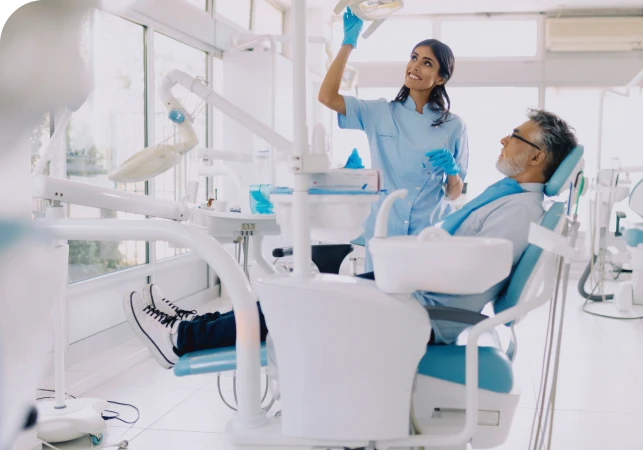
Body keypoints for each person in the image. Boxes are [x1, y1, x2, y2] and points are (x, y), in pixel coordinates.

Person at [124, 110, 578, 369]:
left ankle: (181, 338)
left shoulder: (520, 211)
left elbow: (468, 272)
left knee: (297, 299)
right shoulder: (511, 199)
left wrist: (408, 253)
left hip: (426, 313)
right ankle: (195, 324)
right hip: (415, 295)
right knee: (298, 289)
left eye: (515, 136)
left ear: (537, 156)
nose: (503, 139)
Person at [318, 8, 469, 272]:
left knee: (422, 295)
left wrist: (452, 172)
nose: (415, 66)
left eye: (427, 63)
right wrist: (348, 43)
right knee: (382, 294)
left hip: (429, 233)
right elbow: (327, 97)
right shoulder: (379, 112)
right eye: (414, 58)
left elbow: (454, 192)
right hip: (383, 229)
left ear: (441, 78)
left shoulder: (454, 126)